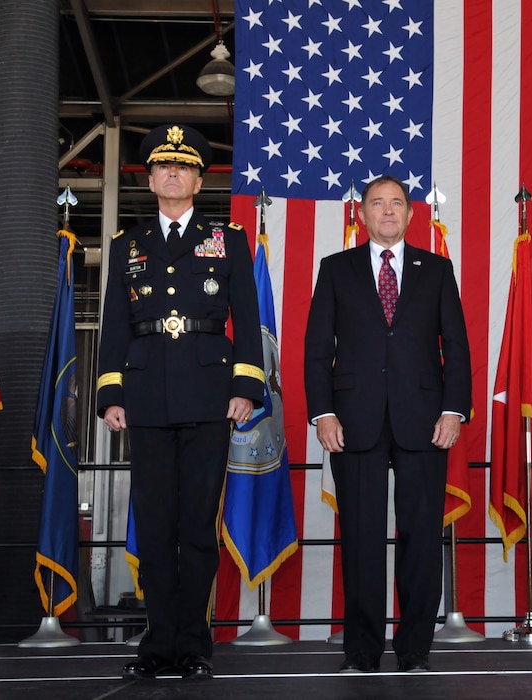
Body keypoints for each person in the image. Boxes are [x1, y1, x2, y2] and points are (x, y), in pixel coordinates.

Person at [96, 123, 265, 681]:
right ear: (150, 180)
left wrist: (245, 386)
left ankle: (193, 644)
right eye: (163, 167)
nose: (173, 174)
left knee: (196, 527)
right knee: (156, 524)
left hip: (209, 395)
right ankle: (157, 641)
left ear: (198, 180)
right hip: (144, 397)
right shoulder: (128, 245)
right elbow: (115, 324)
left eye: (184, 167)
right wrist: (110, 391)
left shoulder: (229, 239)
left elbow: (248, 319)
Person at [304, 175, 471, 673]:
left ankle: (415, 648)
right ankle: (361, 651)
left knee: (421, 539)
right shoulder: (336, 269)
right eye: (377, 203)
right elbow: (317, 349)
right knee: (360, 538)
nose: (388, 211)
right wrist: (323, 411)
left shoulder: (437, 269)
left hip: (425, 420)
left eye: (396, 203)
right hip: (353, 421)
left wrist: (453, 409)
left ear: (410, 213)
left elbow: (457, 348)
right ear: (362, 214)